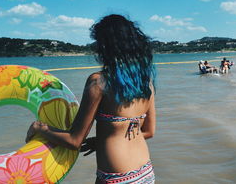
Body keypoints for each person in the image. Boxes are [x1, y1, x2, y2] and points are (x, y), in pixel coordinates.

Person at [26, 14, 156, 183]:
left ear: (106, 46)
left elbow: (74, 140)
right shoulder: (146, 82)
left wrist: (40, 128)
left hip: (117, 177)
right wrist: (101, 140)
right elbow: (148, 131)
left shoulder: (98, 83)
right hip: (145, 172)